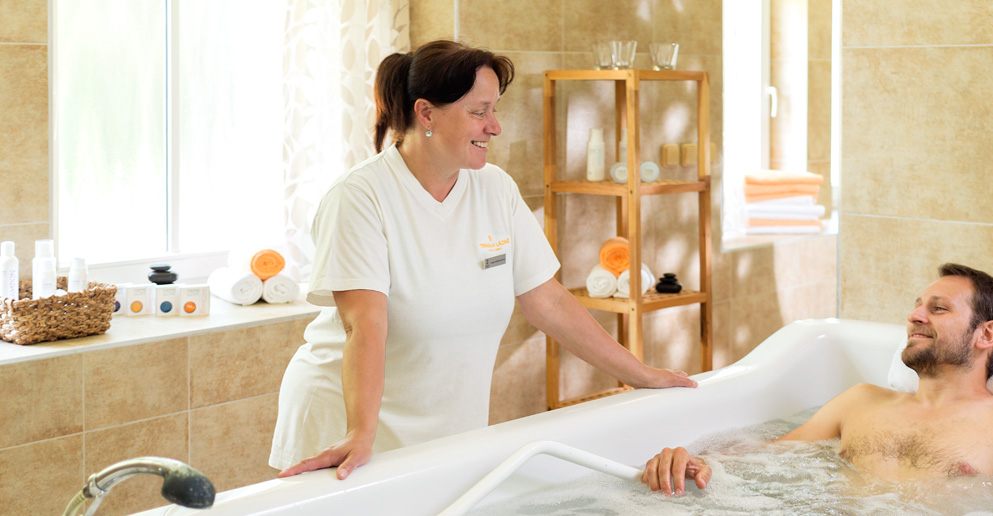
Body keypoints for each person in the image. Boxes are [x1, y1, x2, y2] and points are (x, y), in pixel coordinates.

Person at [271, 41, 694, 480]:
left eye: (494, 110)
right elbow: (364, 325)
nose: (494, 127)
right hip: (347, 427)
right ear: (426, 114)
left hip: (446, 430)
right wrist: (360, 432)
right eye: (479, 111)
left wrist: (641, 375)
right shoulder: (360, 197)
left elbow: (547, 300)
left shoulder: (495, 188)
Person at [642, 264, 993, 516]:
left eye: (938, 309)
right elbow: (767, 457)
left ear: (986, 336)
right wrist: (692, 460)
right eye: (917, 306)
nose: (915, 315)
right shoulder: (861, 402)